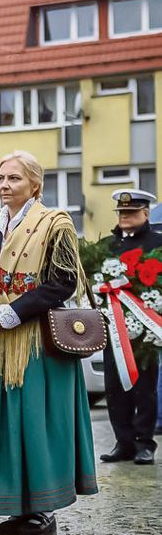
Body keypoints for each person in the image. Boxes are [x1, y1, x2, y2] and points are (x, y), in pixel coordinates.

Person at [0, 151, 97, 535]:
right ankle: (15, 505)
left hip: (35, 340)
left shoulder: (55, 223)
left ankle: (43, 508)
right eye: (1, 178)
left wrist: (14, 311)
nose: (4, 185)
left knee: (34, 422)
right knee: (2, 423)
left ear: (35, 184)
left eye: (14, 178)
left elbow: (64, 281)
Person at [98, 188, 162, 465]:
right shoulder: (107, 246)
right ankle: (123, 443)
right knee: (114, 387)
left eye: (131, 212)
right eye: (122, 212)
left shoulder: (158, 243)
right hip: (114, 328)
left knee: (144, 388)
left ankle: (144, 443)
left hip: (146, 329)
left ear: (145, 213)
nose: (125, 216)